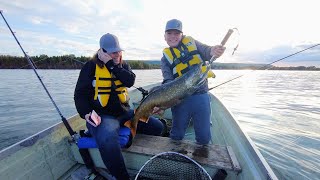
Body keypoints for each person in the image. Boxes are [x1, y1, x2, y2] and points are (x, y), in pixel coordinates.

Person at [74, 33, 164, 180]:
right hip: (103, 117)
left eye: (118, 51)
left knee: (157, 127)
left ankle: (128, 133)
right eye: (113, 52)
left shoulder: (122, 65)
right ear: (102, 51)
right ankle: (122, 177)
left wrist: (112, 65)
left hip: (125, 113)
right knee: (108, 138)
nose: (117, 54)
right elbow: (79, 95)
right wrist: (86, 113)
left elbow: (129, 81)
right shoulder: (90, 67)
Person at [159, 19, 225, 145]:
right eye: (169, 33)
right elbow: (167, 80)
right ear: (165, 36)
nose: (173, 37)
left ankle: (201, 158)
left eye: (176, 33)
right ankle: (174, 158)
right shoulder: (164, 59)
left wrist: (214, 50)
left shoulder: (192, 42)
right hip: (180, 100)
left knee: (204, 137)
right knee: (177, 135)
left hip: (201, 96)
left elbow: (207, 50)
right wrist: (162, 101)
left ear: (182, 35)